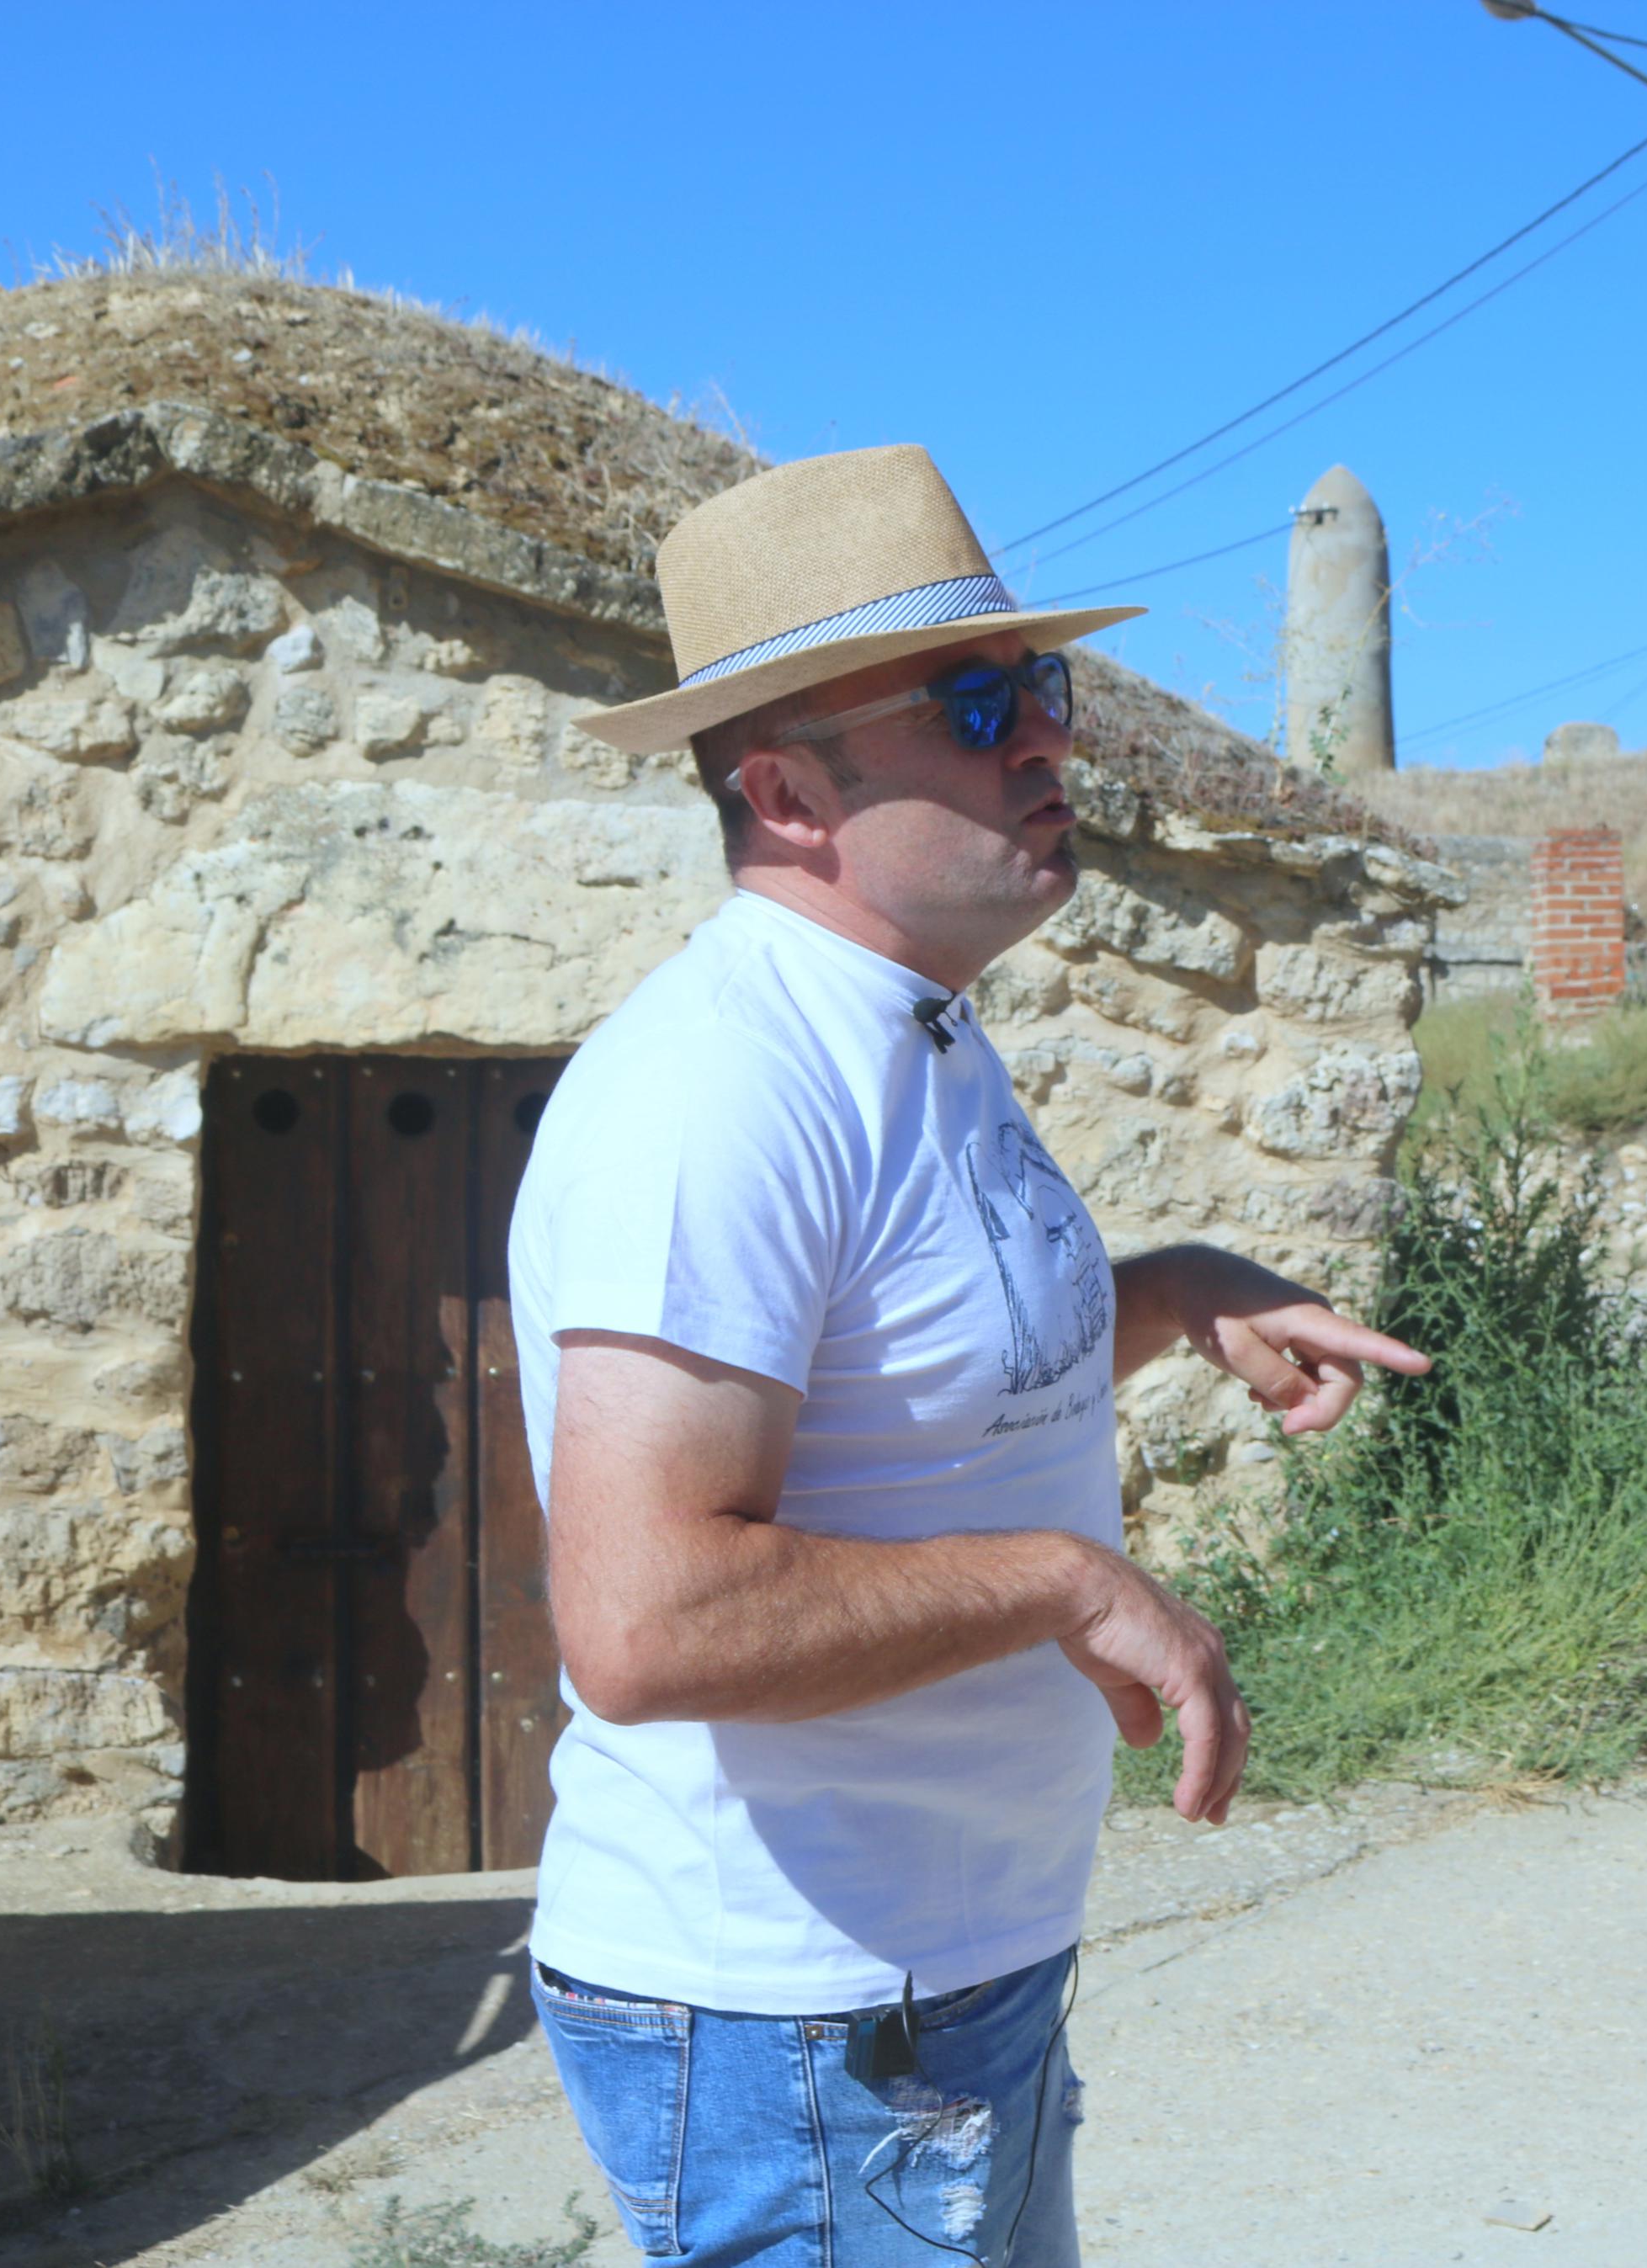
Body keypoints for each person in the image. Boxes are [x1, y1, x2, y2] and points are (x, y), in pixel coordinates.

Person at [510, 445, 1427, 2266]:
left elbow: (907, 1371)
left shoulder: (911, 1031)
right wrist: (1059, 1582)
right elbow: (642, 1618)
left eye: (1047, 687)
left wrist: (1171, 1296)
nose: (1050, 743)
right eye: (977, 702)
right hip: (803, 2031)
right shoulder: (717, 1092)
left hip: (939, 1982)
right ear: (783, 790)